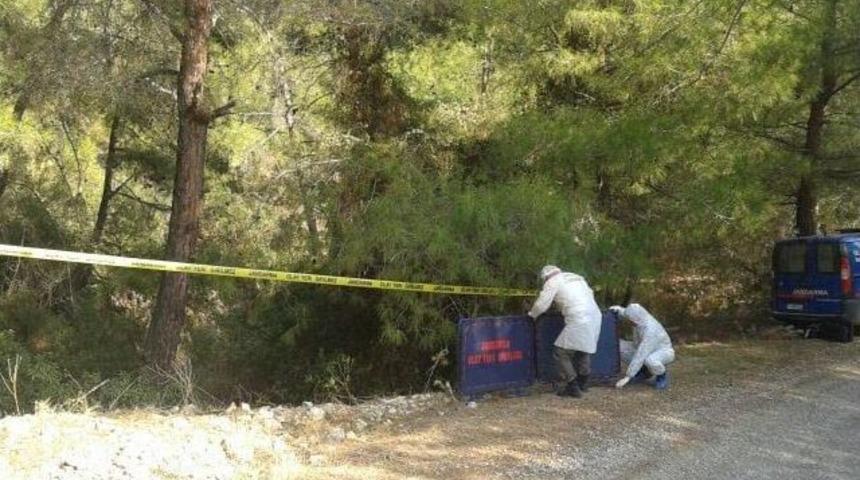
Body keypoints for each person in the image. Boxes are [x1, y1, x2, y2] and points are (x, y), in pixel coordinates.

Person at [528, 265, 603, 398]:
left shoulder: (552, 282)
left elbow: (541, 304)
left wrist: (532, 315)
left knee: (560, 352)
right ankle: (583, 383)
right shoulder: (576, 279)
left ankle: (572, 385)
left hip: (578, 317)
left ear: (545, 277)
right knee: (583, 349)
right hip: (595, 315)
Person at [609, 303, 675, 390]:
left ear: (637, 319)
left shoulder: (650, 330)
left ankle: (661, 375)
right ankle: (644, 372)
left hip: (663, 351)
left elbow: (641, 354)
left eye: (631, 321)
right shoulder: (636, 316)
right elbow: (624, 312)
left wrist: (628, 376)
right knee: (619, 346)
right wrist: (614, 309)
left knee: (651, 360)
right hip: (641, 347)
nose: (629, 322)